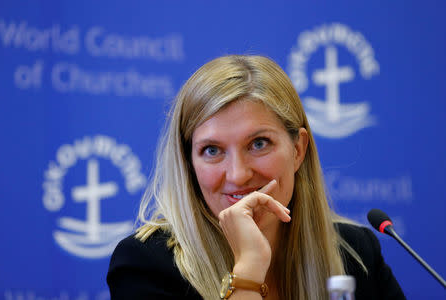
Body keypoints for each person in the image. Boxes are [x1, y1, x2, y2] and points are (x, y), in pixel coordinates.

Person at [107, 55, 406, 300]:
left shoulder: (356, 252)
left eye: (259, 144)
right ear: (189, 164)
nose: (238, 174)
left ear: (298, 149)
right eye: (212, 150)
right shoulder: (145, 265)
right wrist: (249, 268)